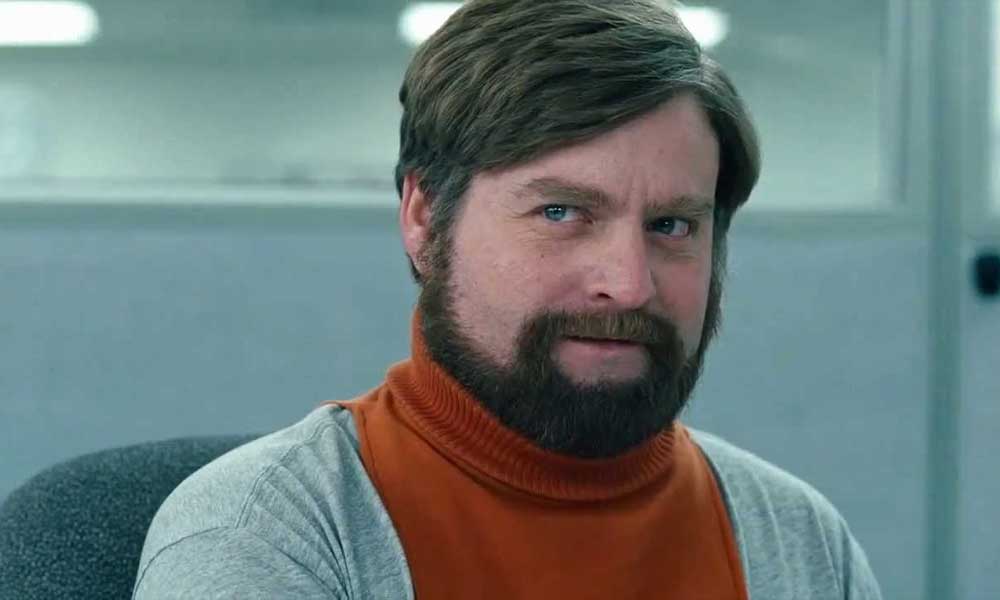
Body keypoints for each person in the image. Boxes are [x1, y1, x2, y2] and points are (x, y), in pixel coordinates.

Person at [133, 1, 882, 598]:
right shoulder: (264, 536)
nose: (628, 283)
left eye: (672, 225)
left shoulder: (799, 541)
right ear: (424, 217)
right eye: (561, 212)